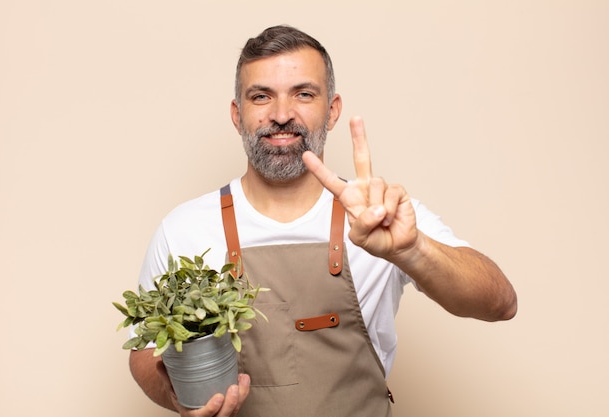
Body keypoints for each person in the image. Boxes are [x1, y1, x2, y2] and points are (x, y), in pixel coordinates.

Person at [128, 25, 517, 417]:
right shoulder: (184, 229)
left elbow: (499, 302)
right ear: (237, 113)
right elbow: (143, 353)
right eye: (261, 96)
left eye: (304, 94)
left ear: (332, 110)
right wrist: (178, 397)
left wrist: (413, 249)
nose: (281, 115)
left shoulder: (383, 216)